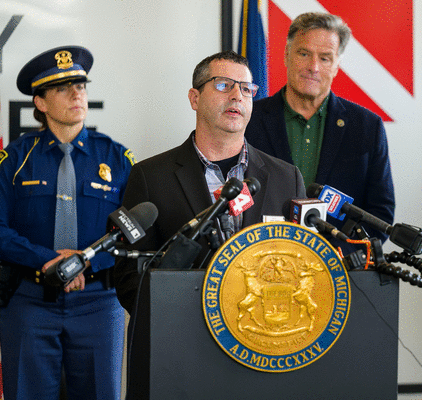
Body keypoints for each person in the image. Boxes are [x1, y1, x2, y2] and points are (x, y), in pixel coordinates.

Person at [113, 50, 306, 315]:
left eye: (246, 89)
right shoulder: (150, 177)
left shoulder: (286, 178)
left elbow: (302, 265)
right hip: (185, 330)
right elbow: (129, 279)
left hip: (263, 328)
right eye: (223, 85)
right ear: (195, 98)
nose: (237, 95)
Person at [0, 46, 135, 400]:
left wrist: (86, 261)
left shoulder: (118, 158)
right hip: (29, 303)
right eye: (63, 89)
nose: (77, 94)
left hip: (98, 302)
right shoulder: (13, 159)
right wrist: (48, 260)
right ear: (40, 103)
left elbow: (134, 232)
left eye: (81, 86)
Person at [245, 12, 394, 254]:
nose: (313, 67)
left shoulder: (367, 127)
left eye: (325, 58)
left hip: (338, 266)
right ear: (286, 55)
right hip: (261, 260)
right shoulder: (248, 120)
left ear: (336, 65)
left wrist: (334, 256)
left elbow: (379, 213)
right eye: (304, 54)